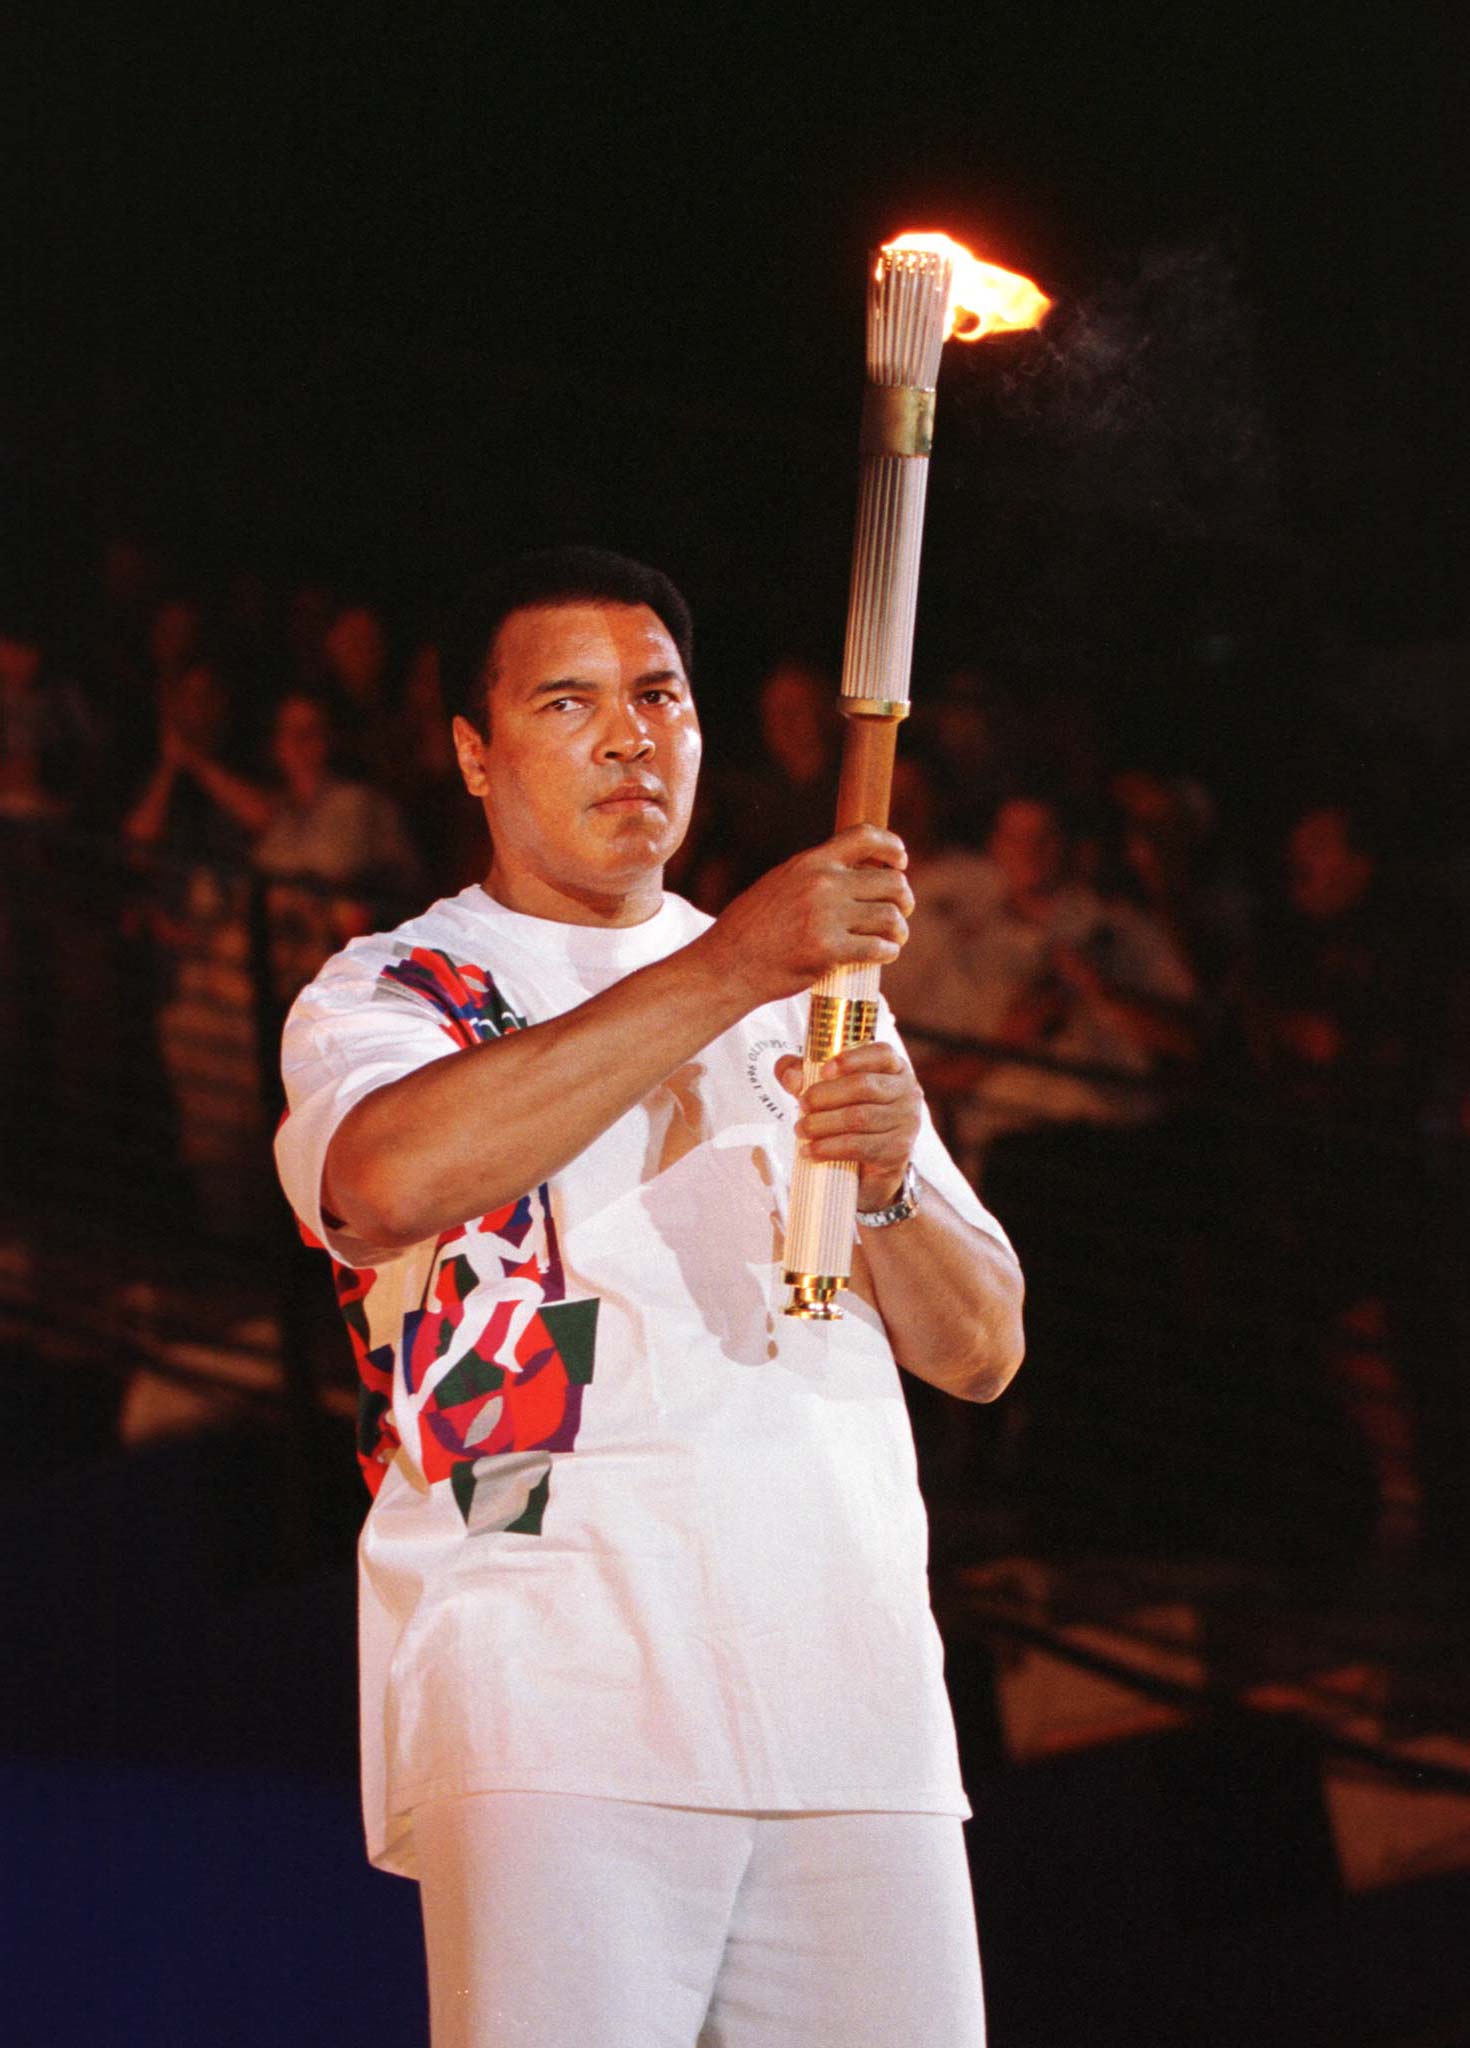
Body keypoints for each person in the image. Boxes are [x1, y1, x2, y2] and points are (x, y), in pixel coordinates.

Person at [274, 547, 1024, 2047]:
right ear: (475, 755)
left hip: (853, 1697)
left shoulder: (820, 989)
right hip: (553, 1689)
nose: (630, 735)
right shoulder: (397, 988)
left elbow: (982, 1345)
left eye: (660, 696)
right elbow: (384, 1180)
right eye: (570, 702)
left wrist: (881, 1185)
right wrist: (736, 960)